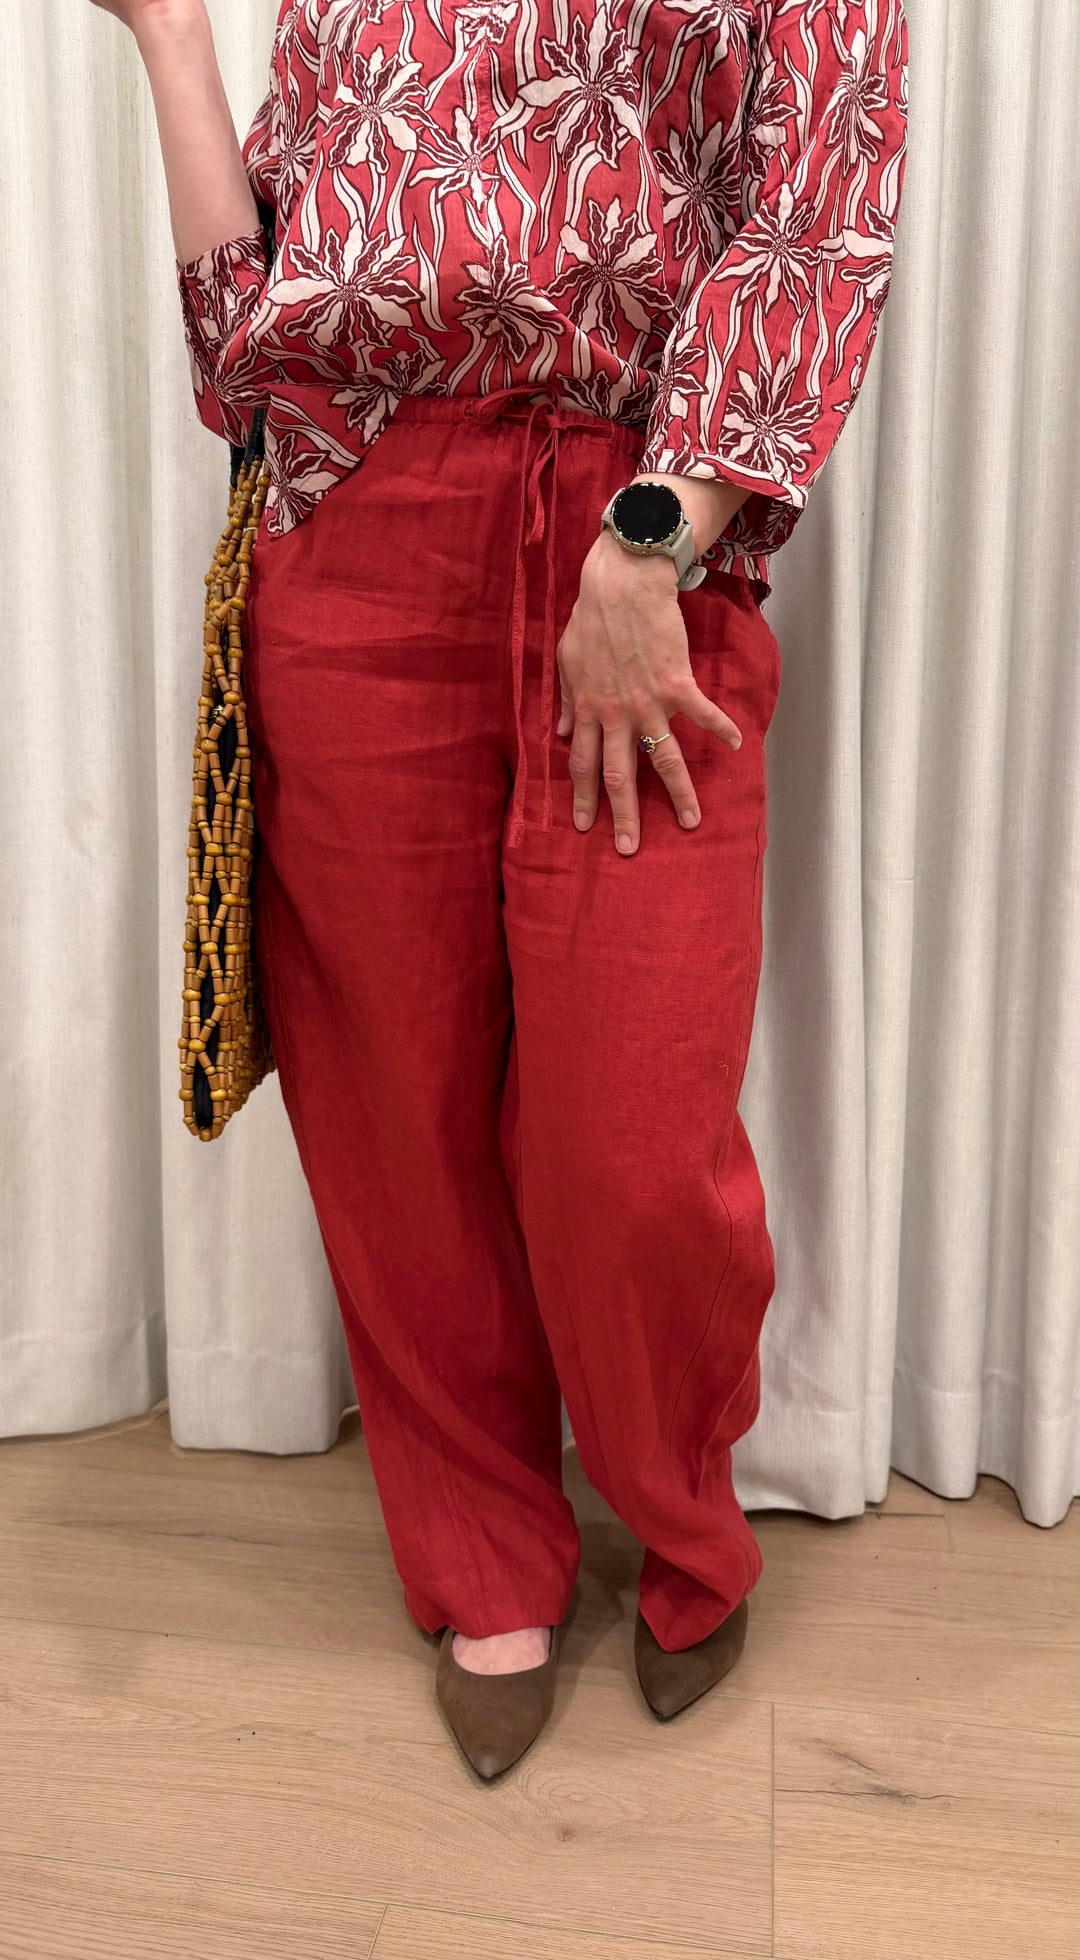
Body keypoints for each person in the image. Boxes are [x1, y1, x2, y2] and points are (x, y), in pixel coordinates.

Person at [93, 0, 907, 1779]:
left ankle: (682, 1519)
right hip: (358, 549)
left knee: (633, 1136)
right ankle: (484, 1558)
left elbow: (818, 225)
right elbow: (247, 353)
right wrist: (169, 43)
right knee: (398, 1105)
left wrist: (654, 538)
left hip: (642, 545)